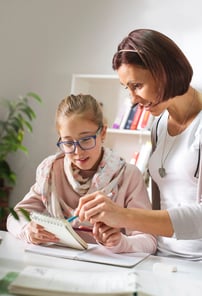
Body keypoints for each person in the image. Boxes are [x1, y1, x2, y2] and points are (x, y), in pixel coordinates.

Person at [75, 29, 202, 261]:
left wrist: (123, 216)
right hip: (162, 257)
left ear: (163, 73)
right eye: (127, 88)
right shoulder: (158, 124)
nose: (133, 99)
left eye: (137, 85)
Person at [7, 93, 157, 254]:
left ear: (103, 133)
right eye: (68, 142)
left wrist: (121, 242)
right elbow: (14, 217)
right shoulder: (50, 172)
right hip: (59, 262)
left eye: (86, 139)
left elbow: (149, 241)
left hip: (108, 270)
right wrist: (28, 229)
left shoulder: (128, 175)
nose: (78, 152)